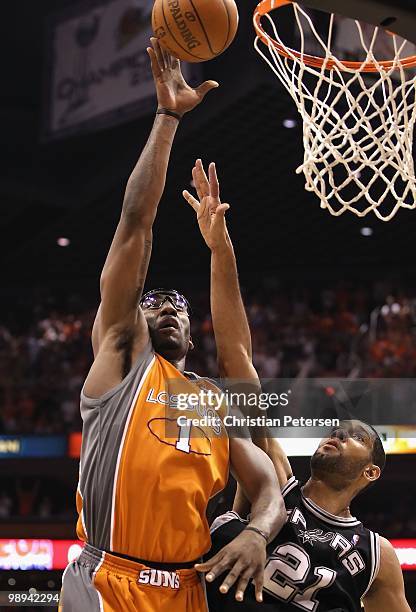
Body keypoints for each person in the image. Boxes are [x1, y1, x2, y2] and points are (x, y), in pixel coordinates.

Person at [59, 39, 286, 612]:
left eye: (177, 303)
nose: (165, 305)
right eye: (152, 299)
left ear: (192, 327)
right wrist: (166, 119)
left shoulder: (211, 400)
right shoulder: (124, 362)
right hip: (108, 578)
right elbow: (134, 225)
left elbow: (268, 488)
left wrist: (259, 532)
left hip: (187, 589)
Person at [182, 162, 412, 611]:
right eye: (341, 429)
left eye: (356, 438)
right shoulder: (273, 481)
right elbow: (238, 360)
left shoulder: (377, 556)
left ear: (372, 472)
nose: (339, 434)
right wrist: (220, 247)